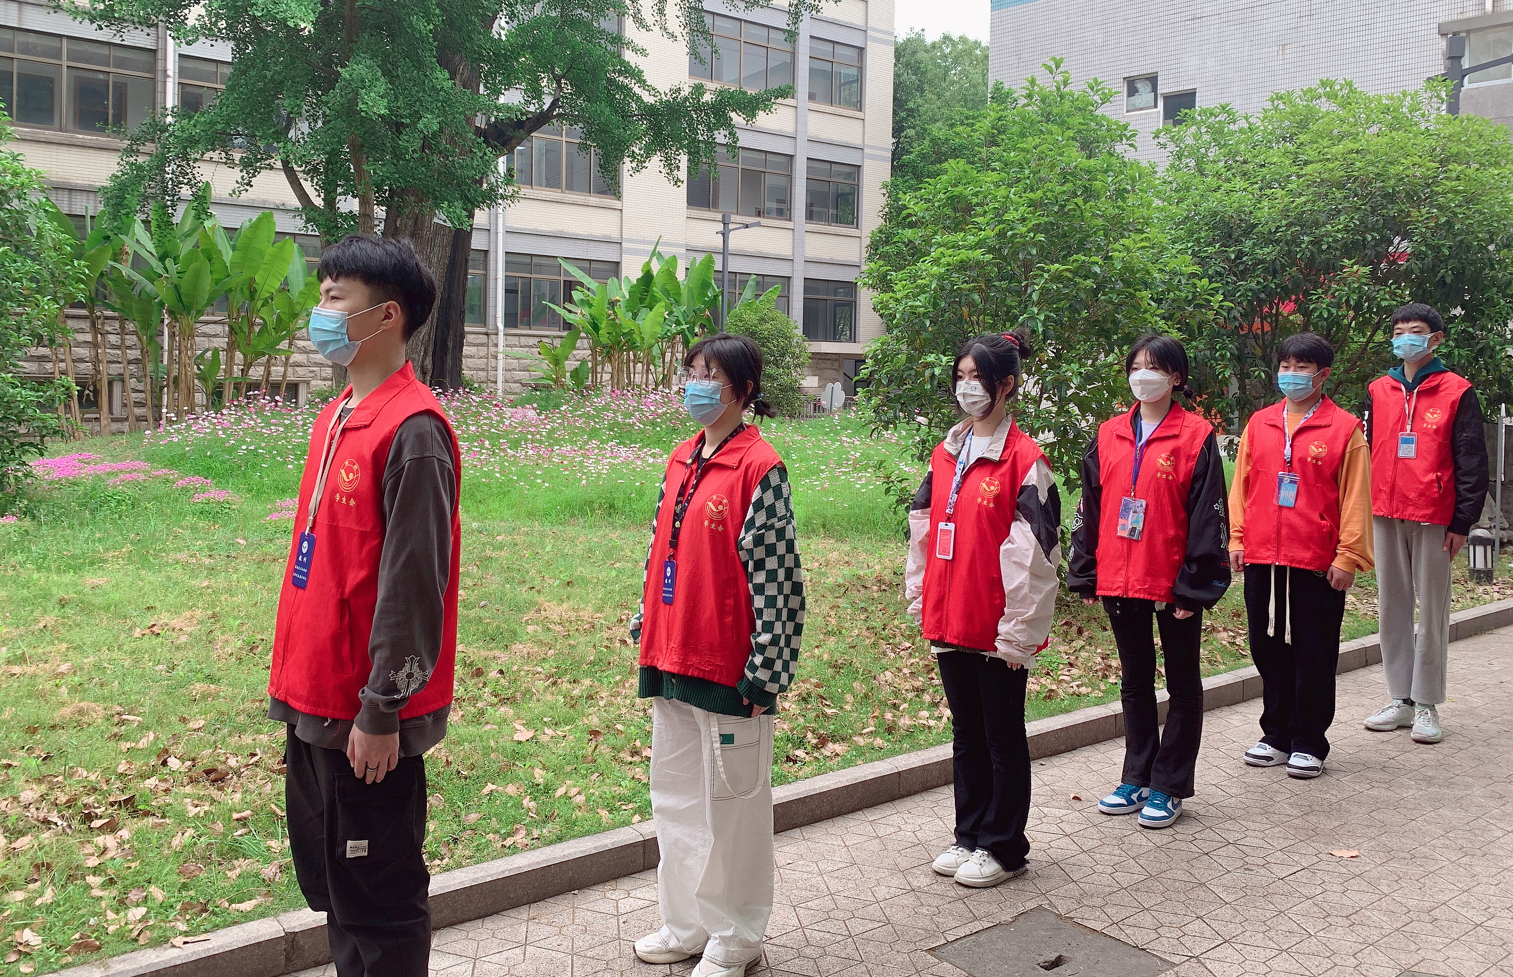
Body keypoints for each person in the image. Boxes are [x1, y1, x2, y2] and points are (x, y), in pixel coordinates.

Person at [267, 235, 461, 977]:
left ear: (386, 315)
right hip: (314, 696)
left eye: (333, 297)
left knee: (379, 901)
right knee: (336, 889)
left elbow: (413, 585)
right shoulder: (338, 414)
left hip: (364, 713)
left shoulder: (414, 431)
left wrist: (382, 708)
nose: (319, 312)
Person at [629, 333, 806, 977]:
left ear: (743, 390)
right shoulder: (681, 459)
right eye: (691, 372)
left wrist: (767, 670)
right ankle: (686, 924)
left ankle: (737, 935)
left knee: (733, 808)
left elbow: (779, 580)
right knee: (675, 800)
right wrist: (647, 620)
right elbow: (662, 549)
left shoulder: (761, 468)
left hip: (731, 669)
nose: (694, 385)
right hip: (671, 655)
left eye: (709, 375)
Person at [904, 330, 1061, 887]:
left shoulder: (1026, 461)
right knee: (966, 731)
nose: (967, 388)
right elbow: (922, 530)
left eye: (978, 378)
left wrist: (1019, 631)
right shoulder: (945, 453)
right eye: (961, 377)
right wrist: (921, 595)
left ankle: (1004, 846)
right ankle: (968, 834)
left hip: (997, 626)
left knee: (1002, 736)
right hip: (951, 616)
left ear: (1006, 384)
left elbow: (1037, 554)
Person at [1068, 335, 1230, 829]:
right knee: (1134, 681)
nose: (1143, 375)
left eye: (1155, 367)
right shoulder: (1109, 433)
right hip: (1120, 577)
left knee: (1182, 683)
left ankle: (1170, 785)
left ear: (1176, 377)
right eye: (1136, 366)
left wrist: (1194, 585)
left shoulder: (1197, 436)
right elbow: (1090, 505)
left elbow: (1208, 515)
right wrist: (1087, 570)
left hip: (1173, 580)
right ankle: (1136, 776)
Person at [1229, 332, 1372, 780]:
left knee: (1313, 651)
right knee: (1267, 648)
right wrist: (1237, 539)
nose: (1290, 375)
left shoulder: (1345, 429)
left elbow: (1356, 498)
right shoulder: (1260, 423)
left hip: (1315, 562)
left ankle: (1309, 741)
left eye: (1301, 368)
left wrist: (1348, 556)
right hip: (1264, 558)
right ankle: (1275, 735)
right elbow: (1241, 487)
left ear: (1322, 374)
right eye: (1285, 366)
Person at [1361, 303, 1489, 744]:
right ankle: (1401, 698)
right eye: (1398, 331)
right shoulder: (1379, 389)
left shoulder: (1457, 391)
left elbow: (1471, 459)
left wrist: (1463, 521)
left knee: (1432, 609)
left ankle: (1428, 703)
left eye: (1415, 331)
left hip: (1435, 515)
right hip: (1384, 511)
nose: (1405, 339)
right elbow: (1367, 450)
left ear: (1436, 338)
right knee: (1391, 607)